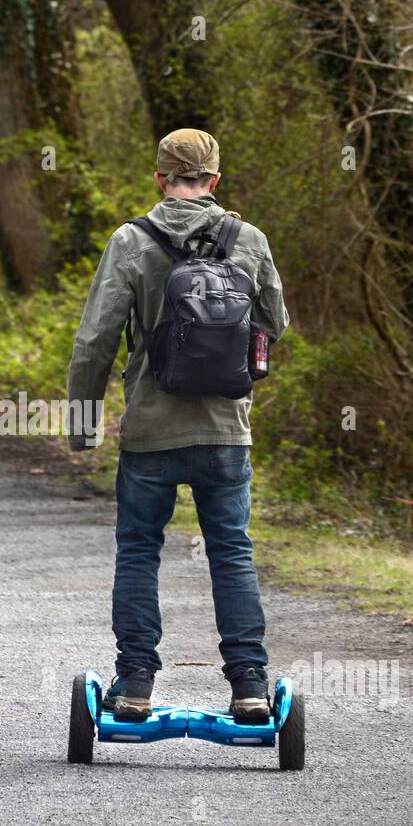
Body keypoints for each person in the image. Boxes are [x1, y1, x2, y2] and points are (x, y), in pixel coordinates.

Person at [67, 129, 289, 722]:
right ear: (215, 180)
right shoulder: (250, 238)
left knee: (139, 550)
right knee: (232, 552)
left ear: (159, 177)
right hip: (225, 431)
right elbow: (275, 322)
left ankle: (135, 681)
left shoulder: (130, 240)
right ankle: (248, 685)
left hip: (149, 431)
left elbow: (95, 341)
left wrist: (83, 423)